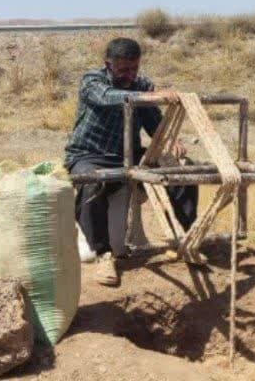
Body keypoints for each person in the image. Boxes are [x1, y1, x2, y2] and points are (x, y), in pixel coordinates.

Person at [64, 37, 198, 286]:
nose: (130, 74)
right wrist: (151, 96)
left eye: (134, 68)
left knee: (184, 170)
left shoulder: (142, 84)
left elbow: (152, 121)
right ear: (108, 63)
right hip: (89, 154)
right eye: (123, 69)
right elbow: (109, 97)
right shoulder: (92, 81)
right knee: (92, 183)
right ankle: (103, 255)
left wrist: (169, 141)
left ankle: (186, 239)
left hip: (129, 153)